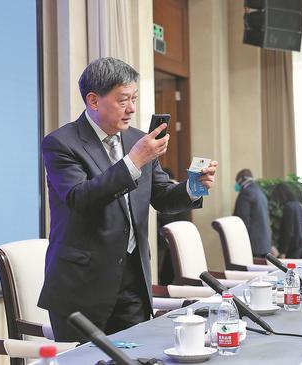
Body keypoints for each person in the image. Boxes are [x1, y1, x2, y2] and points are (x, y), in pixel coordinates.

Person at [38, 57, 218, 341]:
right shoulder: (62, 143)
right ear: (94, 101)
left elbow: (160, 196)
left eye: (134, 98)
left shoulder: (138, 138)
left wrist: (193, 187)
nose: (132, 108)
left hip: (133, 282)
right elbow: (79, 198)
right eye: (123, 100)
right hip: (82, 288)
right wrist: (134, 161)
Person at [233, 169, 271, 257]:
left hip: (252, 244)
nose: (236, 185)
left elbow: (242, 219)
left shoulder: (246, 193)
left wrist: (239, 242)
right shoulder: (260, 192)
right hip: (263, 244)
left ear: (241, 179)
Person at [271, 183, 302, 259]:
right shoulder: (299, 205)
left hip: (291, 248)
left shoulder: (288, 207)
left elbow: (288, 231)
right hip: (299, 246)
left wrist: (283, 251)